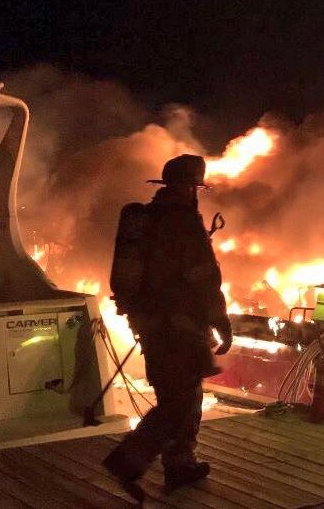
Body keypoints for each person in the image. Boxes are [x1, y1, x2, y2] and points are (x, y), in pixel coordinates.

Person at [103, 154, 233, 501]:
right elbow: (204, 279)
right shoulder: (183, 223)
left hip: (149, 325)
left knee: (177, 394)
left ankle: (180, 463)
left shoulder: (142, 220)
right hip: (181, 328)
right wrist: (221, 319)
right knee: (180, 401)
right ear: (191, 187)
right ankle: (128, 461)